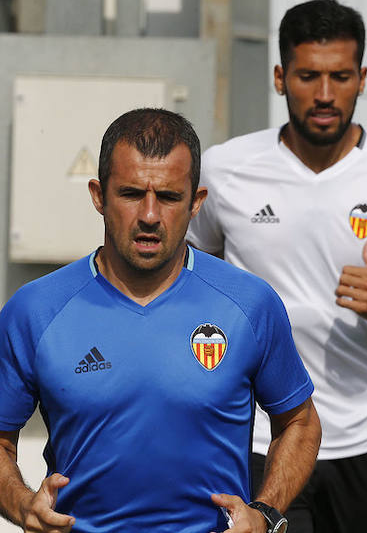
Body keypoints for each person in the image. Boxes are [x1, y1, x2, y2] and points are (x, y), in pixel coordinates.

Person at [188, 0, 367, 533]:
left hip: (366, 438)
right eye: (309, 76)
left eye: (341, 76)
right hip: (260, 438)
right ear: (280, 77)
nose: (326, 95)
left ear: (362, 78)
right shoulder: (226, 169)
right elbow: (183, 271)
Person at [0, 108, 320, 533]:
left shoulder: (250, 303)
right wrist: (23, 506)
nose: (150, 214)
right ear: (98, 195)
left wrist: (266, 514)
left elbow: (299, 421)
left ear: (196, 203)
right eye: (131, 193)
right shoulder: (35, 310)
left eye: (169, 197)